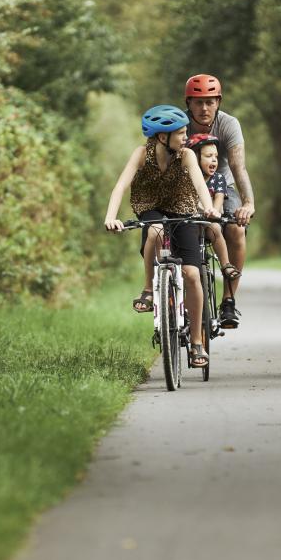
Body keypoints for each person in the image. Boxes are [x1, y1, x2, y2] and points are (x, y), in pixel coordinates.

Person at [104, 105, 217, 369]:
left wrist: (208, 207)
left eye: (185, 132)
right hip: (150, 206)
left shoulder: (187, 155)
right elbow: (120, 185)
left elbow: (200, 184)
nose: (185, 137)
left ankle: (197, 341)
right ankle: (148, 290)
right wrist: (111, 216)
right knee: (154, 229)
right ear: (162, 137)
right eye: (180, 133)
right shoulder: (142, 154)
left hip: (183, 208)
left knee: (191, 273)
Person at [184, 74, 255, 329]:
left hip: (220, 186)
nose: (204, 109)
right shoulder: (180, 125)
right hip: (186, 187)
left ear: (219, 102)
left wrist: (247, 202)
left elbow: (238, 166)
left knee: (236, 228)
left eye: (210, 102)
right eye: (198, 102)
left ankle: (228, 300)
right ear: (188, 103)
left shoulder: (228, 124)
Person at [186, 133, 236, 282]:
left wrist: (214, 210)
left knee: (215, 229)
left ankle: (225, 264)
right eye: (208, 156)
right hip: (191, 220)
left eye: (215, 156)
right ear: (195, 157)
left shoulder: (218, 178)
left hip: (209, 218)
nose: (214, 159)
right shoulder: (187, 177)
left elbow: (219, 198)